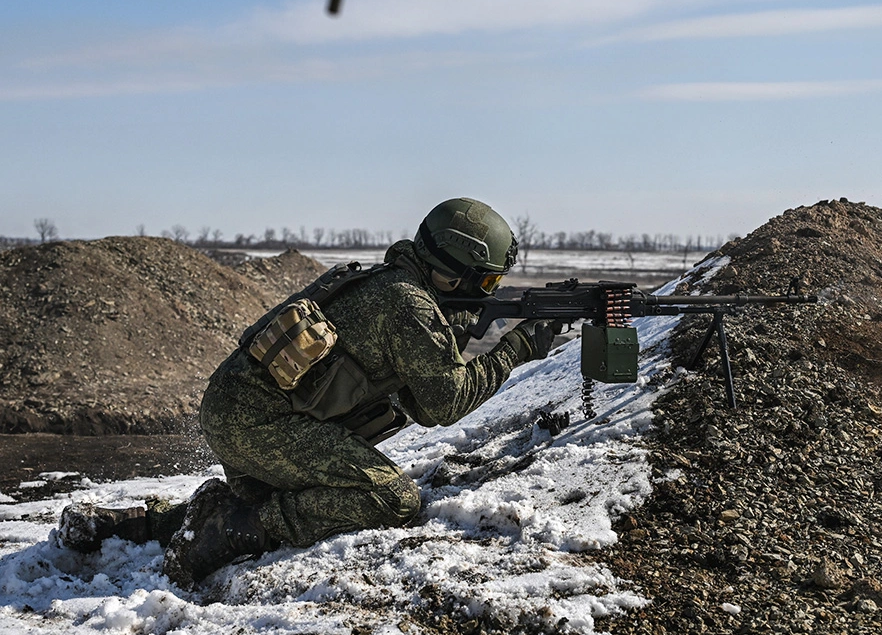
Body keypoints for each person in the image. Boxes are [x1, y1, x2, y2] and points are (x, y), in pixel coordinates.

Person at [57, 198, 556, 587]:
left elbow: (421, 406)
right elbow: (447, 404)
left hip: (236, 411)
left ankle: (129, 526)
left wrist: (454, 334)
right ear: (453, 270)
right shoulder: (411, 307)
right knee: (391, 498)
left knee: (282, 491)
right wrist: (514, 349)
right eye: (487, 281)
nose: (490, 292)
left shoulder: (388, 284)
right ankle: (230, 530)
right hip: (262, 424)